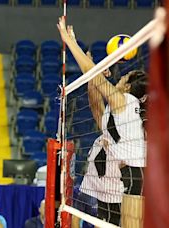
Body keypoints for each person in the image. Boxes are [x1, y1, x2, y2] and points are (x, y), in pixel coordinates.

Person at [57, 17, 147, 226]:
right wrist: (93, 77)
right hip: (123, 178)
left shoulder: (124, 100)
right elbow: (96, 106)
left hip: (133, 176)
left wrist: (70, 42)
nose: (119, 79)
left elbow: (95, 76)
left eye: (123, 79)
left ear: (127, 87)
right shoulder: (123, 110)